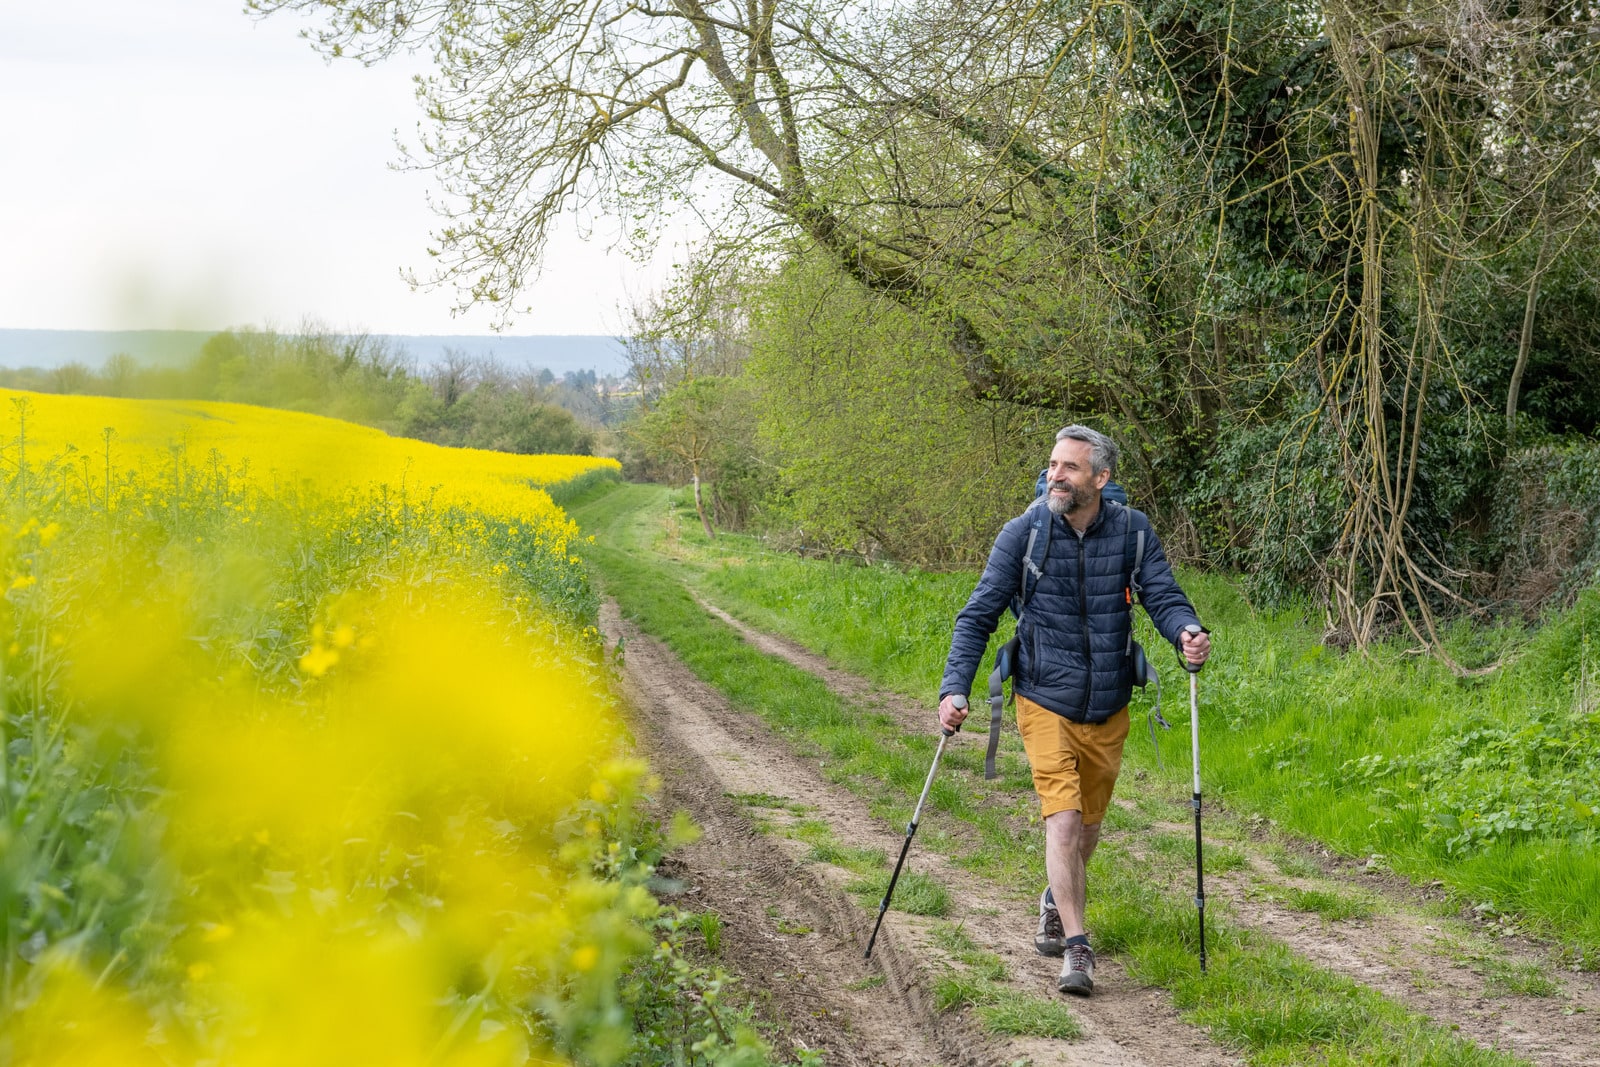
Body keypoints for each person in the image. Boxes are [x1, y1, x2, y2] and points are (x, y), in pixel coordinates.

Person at [938, 425, 1210, 996]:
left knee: (1086, 831)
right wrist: (954, 688)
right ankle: (1078, 949)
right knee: (1061, 820)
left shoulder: (1133, 531)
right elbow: (977, 615)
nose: (1054, 476)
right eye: (1053, 465)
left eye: (1069, 467)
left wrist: (1186, 630)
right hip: (1043, 699)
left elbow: (1161, 592)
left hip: (1109, 704)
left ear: (1101, 478)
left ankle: (1054, 900)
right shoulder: (1024, 534)